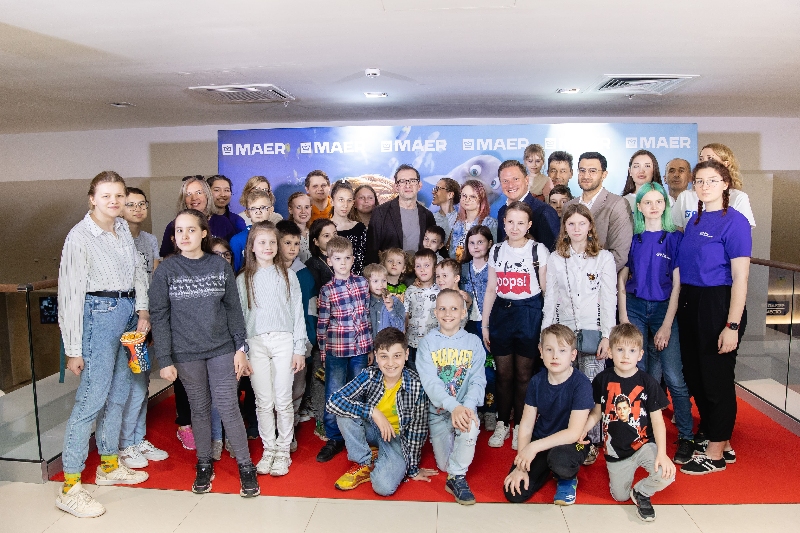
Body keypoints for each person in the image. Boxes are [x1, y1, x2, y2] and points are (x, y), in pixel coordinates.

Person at [56, 171, 151, 518]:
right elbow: (69, 296)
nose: (114, 201)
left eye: (119, 195)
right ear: (92, 199)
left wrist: (142, 309)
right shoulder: (80, 236)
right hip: (98, 314)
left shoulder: (122, 227)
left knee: (120, 392)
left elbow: (138, 271)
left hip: (127, 312)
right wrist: (73, 349)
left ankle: (109, 464)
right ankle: (70, 486)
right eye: (106, 195)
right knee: (90, 400)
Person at [149, 209, 260, 497]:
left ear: (203, 233)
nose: (185, 236)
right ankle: (203, 462)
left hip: (222, 348)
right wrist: (165, 359)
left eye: (191, 230)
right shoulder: (166, 270)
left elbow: (234, 310)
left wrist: (240, 348)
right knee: (198, 408)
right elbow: (159, 316)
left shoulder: (219, 265)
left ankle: (246, 465)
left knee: (228, 406)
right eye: (179, 231)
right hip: (186, 353)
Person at [676, 159, 751, 475]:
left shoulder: (735, 221)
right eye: (699, 181)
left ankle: (716, 453)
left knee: (716, 379)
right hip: (690, 301)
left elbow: (741, 277)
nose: (704, 186)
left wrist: (732, 325)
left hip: (718, 303)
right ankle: (723, 439)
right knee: (695, 375)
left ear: (725, 184)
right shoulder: (694, 221)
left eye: (712, 180)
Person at [617, 182, 694, 464]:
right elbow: (622, 278)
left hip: (663, 309)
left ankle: (686, 436)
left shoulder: (674, 238)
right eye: (647, 202)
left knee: (673, 376)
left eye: (658, 201)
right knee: (641, 374)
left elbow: (677, 285)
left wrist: (666, 325)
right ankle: (641, 433)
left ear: (665, 205)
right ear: (639, 206)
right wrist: (624, 317)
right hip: (635, 307)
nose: (653, 207)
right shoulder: (634, 238)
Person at [542, 203, 617, 465]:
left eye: (581, 223)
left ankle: (591, 441)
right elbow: (550, 299)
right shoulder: (555, 258)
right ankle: (565, 436)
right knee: (565, 387)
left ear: (590, 227)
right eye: (571, 224)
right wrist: (545, 335)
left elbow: (608, 299)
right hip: (564, 334)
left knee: (592, 389)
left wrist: (607, 336)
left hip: (594, 332)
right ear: (564, 228)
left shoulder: (604, 258)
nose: (576, 229)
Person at [581, 323, 675, 522]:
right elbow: (597, 412)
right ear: (610, 352)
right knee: (620, 496)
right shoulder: (602, 379)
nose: (625, 356)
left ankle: (641, 491)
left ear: (640, 355)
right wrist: (583, 430)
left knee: (667, 473)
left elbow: (658, 422)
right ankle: (623, 477)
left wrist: (662, 454)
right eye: (620, 350)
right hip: (616, 451)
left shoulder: (648, 383)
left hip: (643, 444)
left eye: (632, 351)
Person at [327, 327, 435, 495]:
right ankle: (364, 462)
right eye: (384, 356)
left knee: (383, 487)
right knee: (344, 413)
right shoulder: (370, 375)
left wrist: (413, 469)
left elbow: (417, 432)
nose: (390, 363)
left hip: (397, 440)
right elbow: (333, 401)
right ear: (376, 356)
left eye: (397, 356)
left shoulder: (417, 386)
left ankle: (380, 457)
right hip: (373, 429)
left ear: (406, 355)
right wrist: (373, 411)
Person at [237, 222, 307, 477]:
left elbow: (297, 313)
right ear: (252, 247)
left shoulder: (287, 276)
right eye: (262, 242)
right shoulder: (242, 279)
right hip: (256, 343)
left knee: (283, 399)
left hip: (283, 341)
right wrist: (242, 351)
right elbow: (239, 319)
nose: (267, 247)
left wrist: (299, 348)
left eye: (271, 242)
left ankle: (283, 450)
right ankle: (269, 449)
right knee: (263, 401)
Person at [482, 201, 549, 450]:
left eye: (521, 223)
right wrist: (485, 325)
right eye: (510, 222)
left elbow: (546, 291)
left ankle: (520, 424)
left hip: (529, 313)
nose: (515, 227)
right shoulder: (497, 250)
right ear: (504, 223)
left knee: (523, 375)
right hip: (502, 314)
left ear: (529, 225)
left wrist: (546, 326)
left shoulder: (538, 250)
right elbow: (491, 289)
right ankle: (502, 422)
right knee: (503, 374)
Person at [503, 325, 593, 505]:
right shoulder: (536, 381)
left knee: (560, 460)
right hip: (543, 439)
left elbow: (573, 433)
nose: (555, 356)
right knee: (515, 492)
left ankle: (567, 478)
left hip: (573, 442)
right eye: (549, 349)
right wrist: (521, 465)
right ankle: (547, 468)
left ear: (573, 355)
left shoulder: (581, 384)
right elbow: (526, 425)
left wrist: (533, 448)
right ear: (541, 351)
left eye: (562, 350)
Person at [417, 289, 486, 505]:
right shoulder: (427, 343)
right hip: (439, 412)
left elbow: (477, 380)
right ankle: (455, 456)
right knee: (444, 465)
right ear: (435, 313)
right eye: (443, 309)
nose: (448, 314)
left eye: (454, 308)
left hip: (464, 409)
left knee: (470, 426)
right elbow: (430, 382)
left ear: (464, 312)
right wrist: (452, 406)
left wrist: (466, 408)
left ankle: (457, 477)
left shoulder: (473, 342)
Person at [117, 187, 169, 470]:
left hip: (146, 319)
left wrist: (152, 316)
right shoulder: (116, 238)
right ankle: (125, 444)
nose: (137, 209)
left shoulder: (149, 240)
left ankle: (137, 439)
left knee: (142, 379)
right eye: (131, 204)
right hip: (126, 317)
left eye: (142, 204)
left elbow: (155, 277)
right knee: (127, 382)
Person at [316, 236, 373, 462]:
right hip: (337, 350)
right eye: (338, 259)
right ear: (329, 261)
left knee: (359, 392)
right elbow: (323, 323)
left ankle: (357, 434)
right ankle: (334, 437)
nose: (343, 263)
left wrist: (370, 348)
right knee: (334, 392)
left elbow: (367, 316)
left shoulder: (362, 283)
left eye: (347, 258)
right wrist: (323, 352)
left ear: (353, 259)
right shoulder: (327, 290)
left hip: (360, 349)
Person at [276, 220, 318, 427]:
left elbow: (311, 309)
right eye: (287, 243)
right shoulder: (268, 271)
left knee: (297, 386)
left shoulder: (304, 274)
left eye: (296, 243)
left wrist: (310, 337)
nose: (292, 248)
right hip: (276, 340)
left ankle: (290, 426)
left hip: (301, 339)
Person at [564, 151, 633, 272]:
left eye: (592, 171)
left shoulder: (617, 204)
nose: (586, 176)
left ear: (604, 175)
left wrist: (588, 278)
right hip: (570, 278)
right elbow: (563, 245)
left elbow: (620, 254)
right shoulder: (568, 206)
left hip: (601, 279)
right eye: (582, 170)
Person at [459, 225, 497, 432]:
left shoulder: (494, 266)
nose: (475, 246)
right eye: (471, 243)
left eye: (480, 242)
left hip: (489, 324)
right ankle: (475, 407)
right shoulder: (463, 269)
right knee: (471, 368)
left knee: (489, 369)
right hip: (468, 325)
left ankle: (491, 409)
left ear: (489, 243)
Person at [671, 143, 756, 230]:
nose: (704, 162)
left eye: (710, 158)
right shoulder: (685, 196)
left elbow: (742, 232)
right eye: (701, 159)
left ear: (725, 164)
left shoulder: (738, 197)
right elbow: (677, 232)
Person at [365, 164, 436, 265]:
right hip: (388, 273)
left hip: (419, 273)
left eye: (412, 181)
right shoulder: (380, 212)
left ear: (419, 185)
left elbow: (433, 249)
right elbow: (371, 251)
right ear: (396, 187)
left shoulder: (427, 216)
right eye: (402, 181)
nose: (408, 185)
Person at [159, 176, 236, 258]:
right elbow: (167, 258)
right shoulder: (174, 226)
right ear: (184, 199)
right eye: (188, 194)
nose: (194, 198)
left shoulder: (223, 223)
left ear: (207, 195)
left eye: (199, 193)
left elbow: (232, 256)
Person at [496, 160, 560, 251]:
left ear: (526, 180)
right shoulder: (502, 211)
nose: (510, 185)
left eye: (515, 179)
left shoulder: (544, 212)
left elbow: (553, 253)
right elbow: (500, 250)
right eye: (505, 181)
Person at [405, 248, 440, 371]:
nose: (422, 269)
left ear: (435, 268)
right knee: (413, 374)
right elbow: (405, 315)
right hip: (412, 343)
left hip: (434, 344)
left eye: (426, 265)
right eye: (418, 266)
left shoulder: (441, 291)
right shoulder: (410, 290)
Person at [449, 179, 498, 261]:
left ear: (481, 199)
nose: (467, 199)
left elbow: (493, 254)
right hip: (456, 266)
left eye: (472, 196)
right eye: (464, 195)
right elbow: (451, 253)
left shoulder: (490, 223)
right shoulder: (457, 223)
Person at [230, 189, 275, 272]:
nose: (258, 212)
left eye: (263, 207)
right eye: (253, 208)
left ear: (271, 210)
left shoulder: (278, 236)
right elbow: (234, 271)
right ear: (247, 213)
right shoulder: (237, 240)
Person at [329, 180, 368, 275]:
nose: (345, 205)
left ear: (353, 203)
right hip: (332, 281)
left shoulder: (360, 228)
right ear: (332, 201)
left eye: (349, 200)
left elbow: (366, 258)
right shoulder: (325, 229)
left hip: (358, 280)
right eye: (341, 200)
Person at [364, 263, 406, 345]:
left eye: (384, 280)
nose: (381, 284)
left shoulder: (395, 301)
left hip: (389, 347)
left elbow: (400, 329)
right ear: (367, 283)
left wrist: (390, 309)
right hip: (371, 348)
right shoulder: (364, 302)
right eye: (375, 281)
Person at [432, 177, 460, 246]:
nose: (433, 192)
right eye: (434, 189)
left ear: (450, 195)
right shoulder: (430, 218)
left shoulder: (461, 221)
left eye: (437, 189)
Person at [287, 192, 313, 262]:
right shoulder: (285, 234)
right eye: (298, 207)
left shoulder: (314, 232)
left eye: (306, 207)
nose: (303, 211)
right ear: (290, 210)